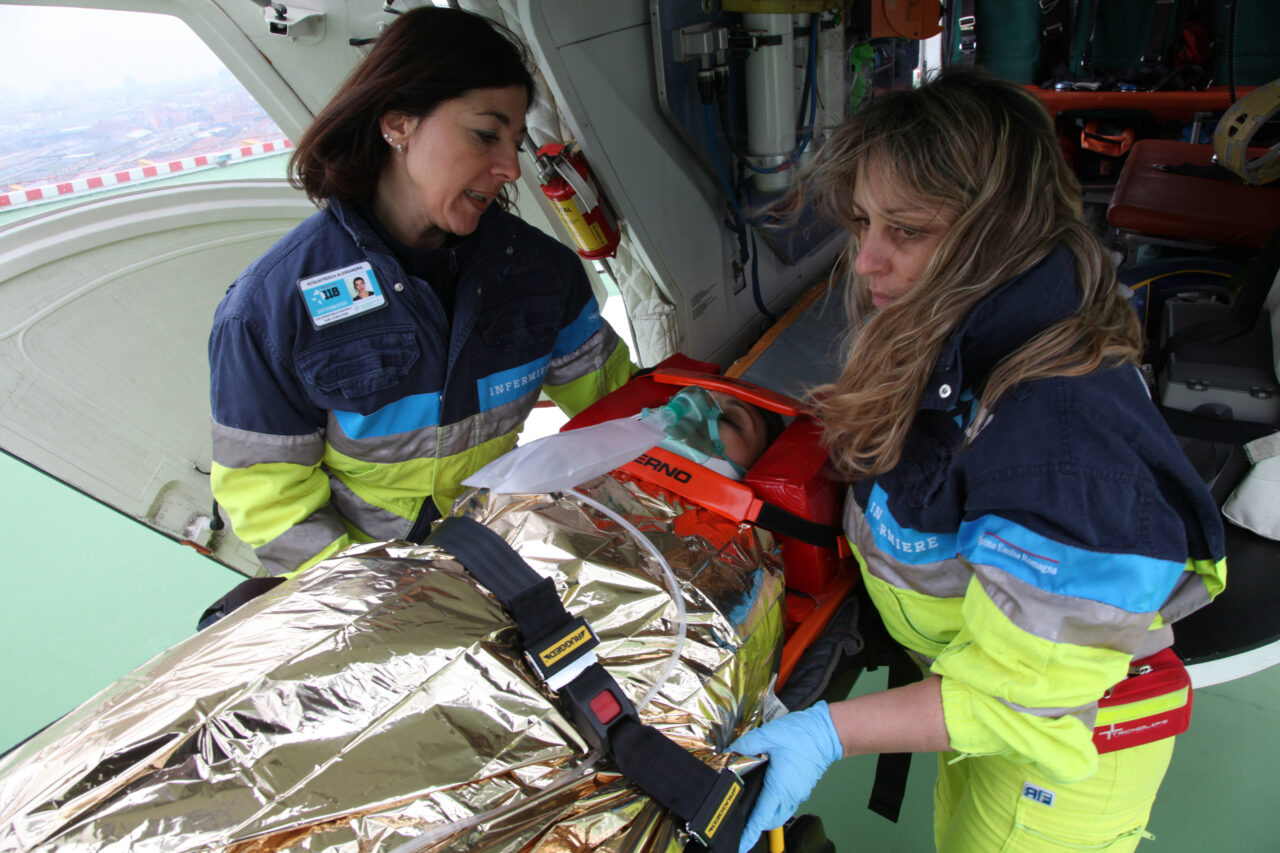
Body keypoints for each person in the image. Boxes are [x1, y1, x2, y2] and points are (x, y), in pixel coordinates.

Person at [731, 68, 1227, 853]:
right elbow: (922, 478)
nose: (865, 261)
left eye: (907, 230)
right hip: (977, 699)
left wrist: (826, 732)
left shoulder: (1062, 440)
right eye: (863, 223)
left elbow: (1027, 700)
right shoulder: (964, 334)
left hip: (1061, 749)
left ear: (1001, 233)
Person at [0, 376, 801, 853]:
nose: (698, 421)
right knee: (201, 731)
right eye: (702, 407)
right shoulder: (553, 470)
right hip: (420, 598)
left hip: (564, 674)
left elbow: (703, 672)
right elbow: (475, 524)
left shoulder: (744, 555)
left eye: (731, 425)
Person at [208, 6, 633, 578]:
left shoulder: (542, 272)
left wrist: (697, 422)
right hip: (361, 584)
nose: (510, 166)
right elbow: (269, 495)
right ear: (398, 124)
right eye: (486, 134)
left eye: (515, 141)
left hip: (500, 552)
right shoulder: (270, 308)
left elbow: (615, 409)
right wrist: (379, 599)